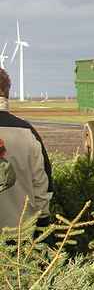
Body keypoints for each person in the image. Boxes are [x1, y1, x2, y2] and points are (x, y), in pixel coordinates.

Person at [0, 69, 53, 230]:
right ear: (7, 92)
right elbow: (42, 183)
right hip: (21, 234)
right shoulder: (27, 132)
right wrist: (42, 221)